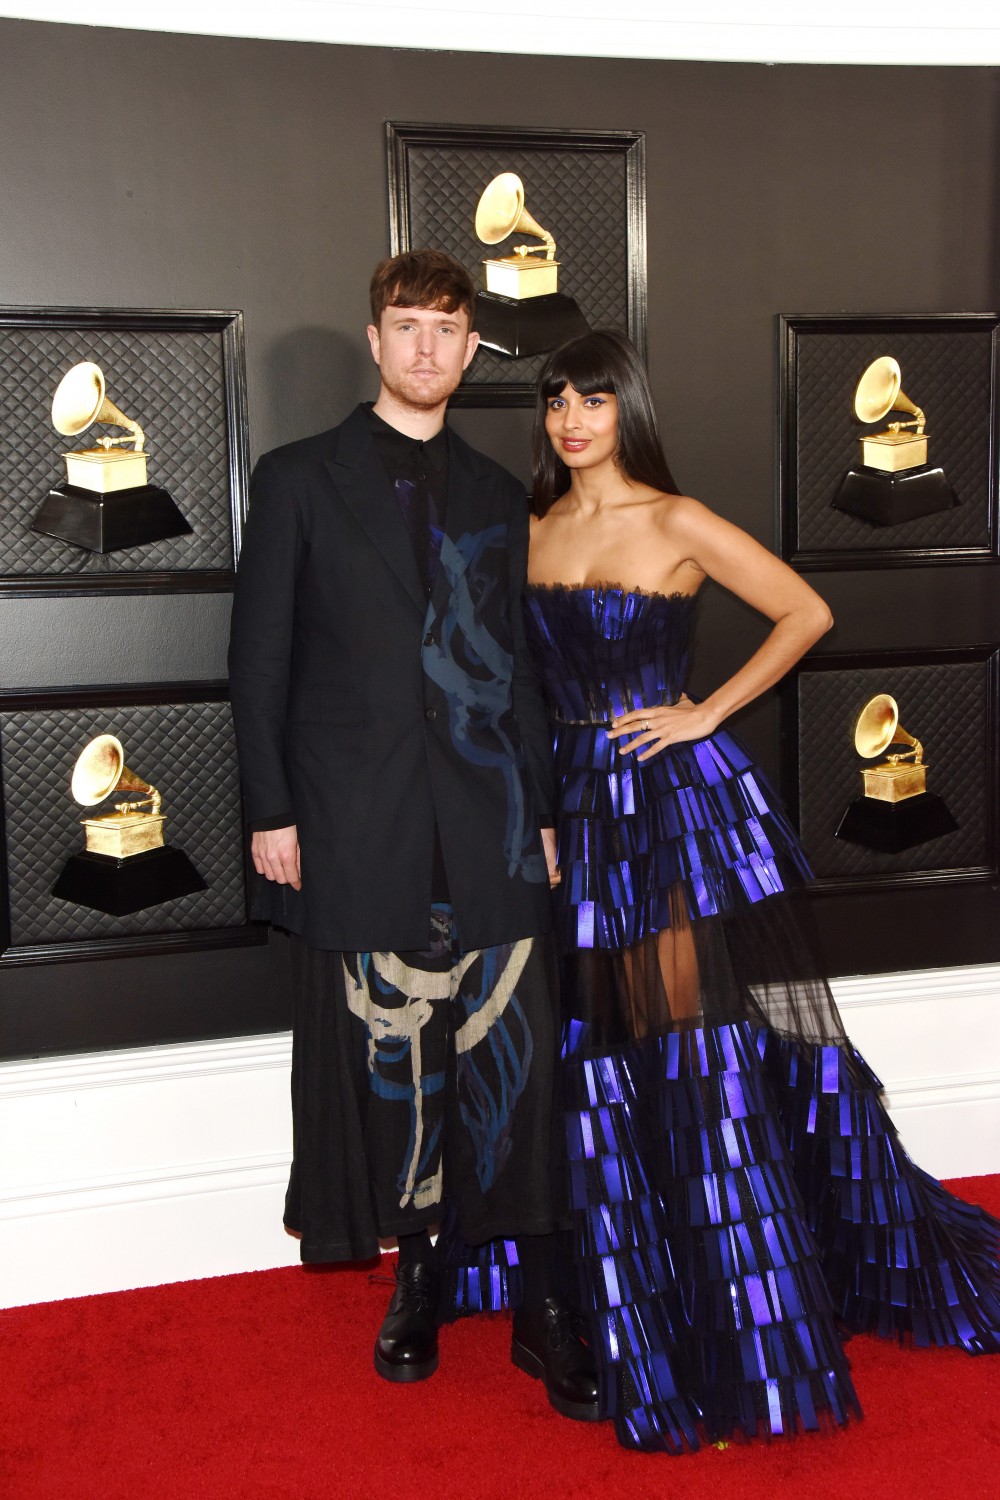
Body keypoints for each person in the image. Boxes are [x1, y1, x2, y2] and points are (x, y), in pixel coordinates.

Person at [456, 328, 999, 1452]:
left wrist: (704, 711)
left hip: (661, 805)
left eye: (593, 399)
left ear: (626, 409)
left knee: (683, 1038)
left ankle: (731, 1313)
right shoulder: (528, 527)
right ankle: (614, 1299)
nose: (570, 418)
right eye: (556, 398)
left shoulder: (676, 518)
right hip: (562, 802)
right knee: (584, 1043)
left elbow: (805, 611)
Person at [227, 250, 597, 1419]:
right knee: (396, 1063)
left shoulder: (499, 494)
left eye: (448, 327)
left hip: (488, 814)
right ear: (375, 339)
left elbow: (524, 680)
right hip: (355, 813)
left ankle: (542, 1307)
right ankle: (421, 1272)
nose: (426, 347)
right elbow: (259, 663)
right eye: (406, 325)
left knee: (519, 1057)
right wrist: (270, 806)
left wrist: (540, 811)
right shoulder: (295, 481)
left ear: (469, 342)